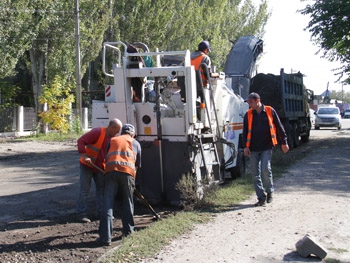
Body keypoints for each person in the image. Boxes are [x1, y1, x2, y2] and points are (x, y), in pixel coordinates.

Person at [242, 92, 289, 207]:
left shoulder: (269, 110)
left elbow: (279, 127)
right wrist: (245, 147)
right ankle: (261, 197)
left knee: (265, 169)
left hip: (267, 147)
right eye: (248, 102)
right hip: (253, 148)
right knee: (255, 174)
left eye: (251, 102)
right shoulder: (248, 114)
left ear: (258, 101)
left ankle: (269, 191)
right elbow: (245, 132)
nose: (249, 104)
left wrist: (284, 142)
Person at [98, 124, 141, 246]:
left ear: (121, 132)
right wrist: (132, 181)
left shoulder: (112, 140)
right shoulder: (135, 143)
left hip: (110, 172)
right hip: (127, 173)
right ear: (132, 134)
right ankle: (128, 232)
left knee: (108, 204)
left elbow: (106, 157)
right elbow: (137, 165)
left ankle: (105, 238)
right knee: (128, 202)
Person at [76, 118, 123, 223]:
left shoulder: (113, 138)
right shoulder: (97, 132)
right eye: (117, 130)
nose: (118, 132)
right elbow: (81, 141)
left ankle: (102, 213)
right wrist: (85, 155)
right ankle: (81, 214)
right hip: (87, 166)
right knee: (84, 190)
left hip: (100, 167)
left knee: (101, 190)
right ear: (112, 127)